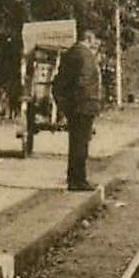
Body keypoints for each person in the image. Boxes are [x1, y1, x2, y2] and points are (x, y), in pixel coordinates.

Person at [53, 28, 103, 191]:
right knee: (81, 144)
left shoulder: (70, 53)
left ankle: (75, 179)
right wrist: (90, 102)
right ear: (88, 39)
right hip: (84, 105)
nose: (94, 44)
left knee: (76, 143)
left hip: (74, 106)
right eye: (93, 40)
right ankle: (78, 181)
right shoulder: (86, 56)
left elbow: (60, 81)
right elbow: (85, 82)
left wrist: (65, 105)